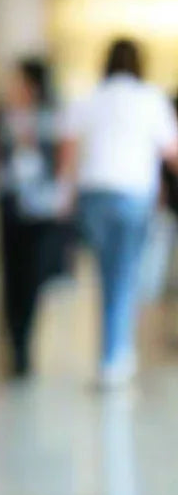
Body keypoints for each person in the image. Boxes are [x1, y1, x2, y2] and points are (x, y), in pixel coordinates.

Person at [60, 39, 178, 387]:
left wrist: (63, 195)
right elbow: (171, 150)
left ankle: (115, 353)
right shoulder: (151, 99)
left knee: (108, 273)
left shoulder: (90, 97)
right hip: (133, 195)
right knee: (123, 274)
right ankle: (115, 357)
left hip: (94, 195)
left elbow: (68, 148)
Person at [0, 59, 70, 377]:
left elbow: (64, 162)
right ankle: (16, 343)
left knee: (32, 277)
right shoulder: (6, 118)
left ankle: (25, 340)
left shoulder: (53, 120)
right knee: (11, 276)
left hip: (41, 209)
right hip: (11, 205)